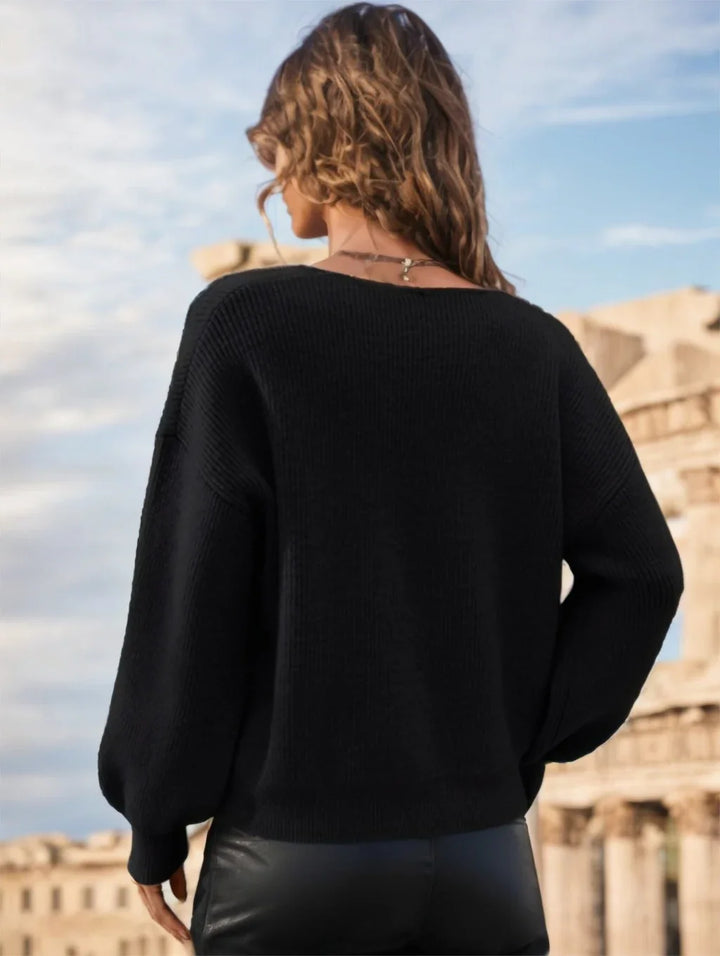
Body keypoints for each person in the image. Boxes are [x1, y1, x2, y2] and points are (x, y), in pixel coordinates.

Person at [97, 3, 684, 954]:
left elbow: (191, 589)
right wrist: (520, 743)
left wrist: (157, 811)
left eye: (276, 144)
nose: (271, 173)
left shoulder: (245, 324)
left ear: (323, 139)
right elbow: (645, 576)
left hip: (295, 855)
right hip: (487, 860)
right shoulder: (533, 346)